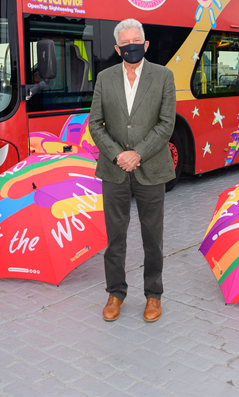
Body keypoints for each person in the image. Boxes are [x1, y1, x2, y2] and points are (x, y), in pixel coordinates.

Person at [88, 19, 176, 323]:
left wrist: (137, 154)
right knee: (115, 238)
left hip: (151, 169)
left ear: (146, 44)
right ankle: (116, 292)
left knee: (153, 238)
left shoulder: (163, 76)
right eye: (125, 43)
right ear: (117, 48)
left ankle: (154, 295)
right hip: (114, 172)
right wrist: (118, 155)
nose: (131, 46)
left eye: (136, 41)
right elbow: (95, 124)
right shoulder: (104, 78)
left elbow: (166, 124)